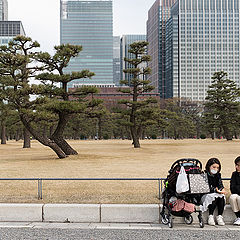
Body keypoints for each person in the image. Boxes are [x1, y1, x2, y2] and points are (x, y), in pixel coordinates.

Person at [200, 158, 227, 226]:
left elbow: (220, 185)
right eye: (214, 167)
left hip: (216, 193)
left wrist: (221, 190)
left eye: (217, 168)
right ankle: (210, 216)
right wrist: (216, 190)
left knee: (221, 196)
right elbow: (205, 188)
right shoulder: (204, 175)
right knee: (213, 197)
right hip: (206, 194)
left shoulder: (218, 175)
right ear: (209, 166)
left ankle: (219, 216)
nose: (215, 169)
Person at [229, 156, 240, 225]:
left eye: (239, 165)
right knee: (232, 197)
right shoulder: (234, 174)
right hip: (236, 193)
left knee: (239, 198)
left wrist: (237, 187)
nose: (237, 167)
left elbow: (235, 187)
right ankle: (238, 216)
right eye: (236, 165)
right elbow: (232, 188)